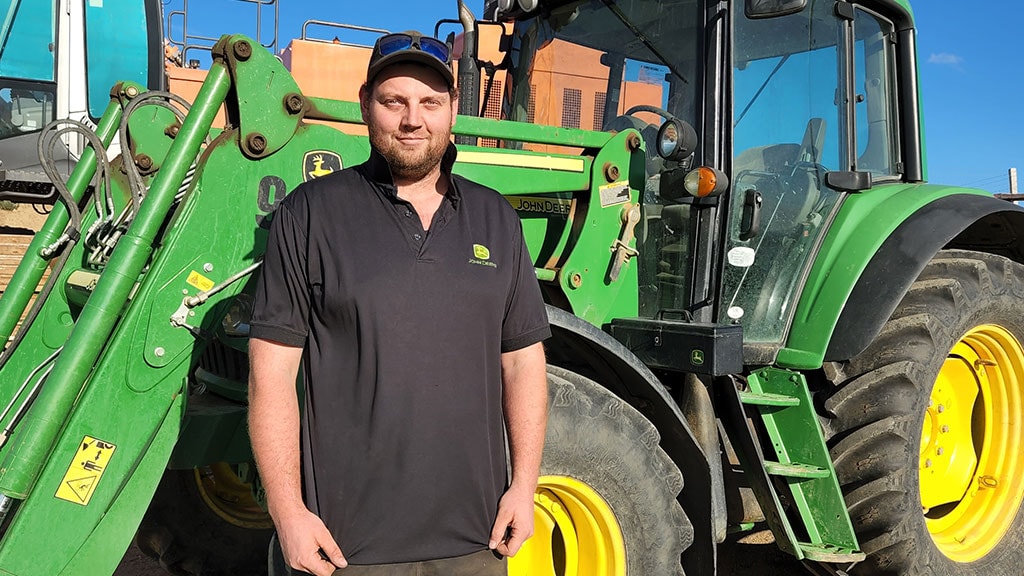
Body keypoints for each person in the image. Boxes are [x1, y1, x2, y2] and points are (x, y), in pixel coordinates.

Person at [248, 30, 550, 576]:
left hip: (476, 545)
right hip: (344, 550)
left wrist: (524, 487)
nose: (414, 119)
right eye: (395, 101)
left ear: (454, 109)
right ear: (366, 105)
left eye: (431, 102)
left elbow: (523, 362)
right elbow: (270, 377)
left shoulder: (496, 219)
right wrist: (287, 511)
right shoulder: (311, 215)